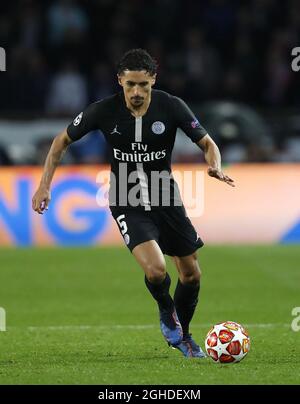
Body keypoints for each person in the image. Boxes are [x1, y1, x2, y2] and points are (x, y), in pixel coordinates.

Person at [32, 49, 235, 358]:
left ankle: (184, 336)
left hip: (166, 196)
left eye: (143, 85)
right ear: (120, 82)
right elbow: (61, 141)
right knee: (155, 271)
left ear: (153, 80)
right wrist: (44, 185)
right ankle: (167, 310)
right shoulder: (103, 111)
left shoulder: (171, 106)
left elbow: (207, 143)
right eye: (130, 85)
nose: (137, 92)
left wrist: (215, 165)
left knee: (191, 274)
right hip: (127, 198)